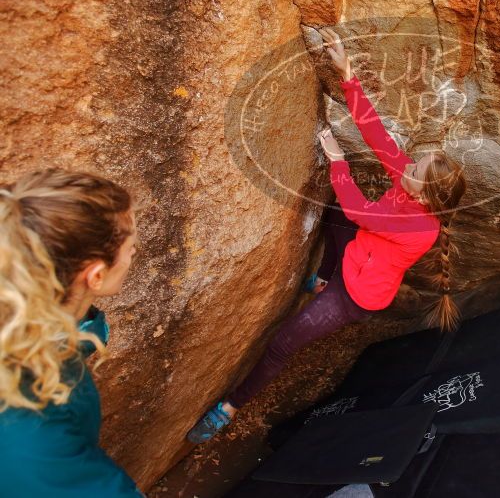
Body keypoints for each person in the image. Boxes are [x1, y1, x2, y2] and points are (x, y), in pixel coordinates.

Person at [187, 27, 468, 443]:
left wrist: (338, 160)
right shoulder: (412, 184)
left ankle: (229, 408)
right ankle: (320, 278)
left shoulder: (420, 226)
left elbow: (364, 212)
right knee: (336, 216)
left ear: (423, 191)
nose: (407, 165)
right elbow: (377, 135)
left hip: (356, 295)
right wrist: (347, 72)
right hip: (357, 256)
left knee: (284, 343)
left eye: (414, 169)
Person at [0, 169, 142, 497]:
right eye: (130, 244)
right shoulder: (34, 432)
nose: (134, 252)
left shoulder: (36, 335)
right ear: (95, 275)